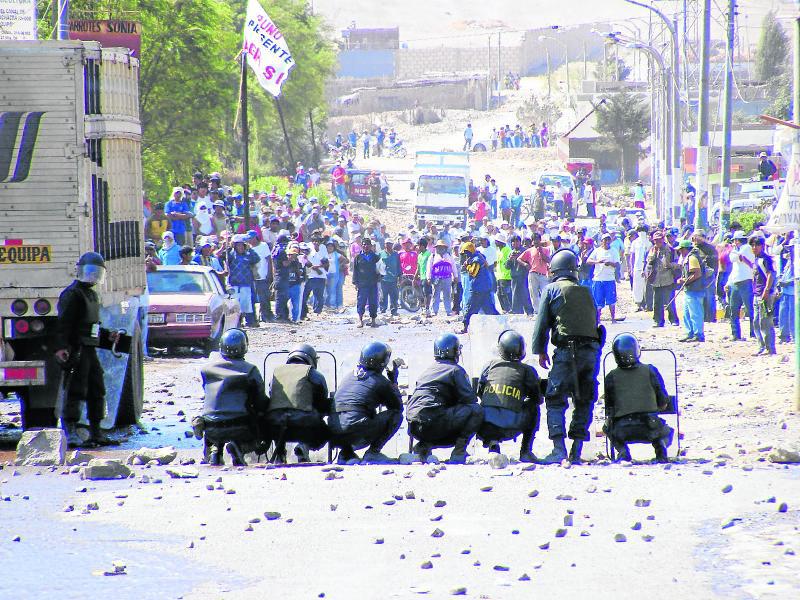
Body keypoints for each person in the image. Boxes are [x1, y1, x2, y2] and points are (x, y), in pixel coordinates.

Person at [531, 248, 603, 464]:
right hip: (591, 352)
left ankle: (559, 449)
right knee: (584, 399)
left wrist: (540, 350)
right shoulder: (586, 291)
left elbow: (542, 323)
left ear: (554, 270)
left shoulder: (552, 289)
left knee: (555, 398)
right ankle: (577, 450)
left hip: (566, 351)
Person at [54, 253, 121, 448]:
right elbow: (64, 324)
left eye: (96, 273)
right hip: (76, 349)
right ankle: (71, 430)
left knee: (96, 389)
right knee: (75, 389)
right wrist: (61, 348)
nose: (92, 276)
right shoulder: (72, 294)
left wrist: (108, 336)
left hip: (90, 349)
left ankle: (96, 431)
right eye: (89, 272)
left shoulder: (92, 294)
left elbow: (92, 325)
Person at [406, 333, 484, 464]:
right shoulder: (455, 370)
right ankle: (459, 451)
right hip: (434, 422)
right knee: (476, 410)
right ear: (455, 351)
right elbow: (470, 400)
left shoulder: (428, 370)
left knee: (439, 413)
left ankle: (424, 446)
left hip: (414, 428)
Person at [194, 329, 268, 466]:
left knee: (214, 414)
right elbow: (260, 402)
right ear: (244, 347)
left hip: (211, 427)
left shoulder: (206, 369)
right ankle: (240, 448)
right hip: (240, 426)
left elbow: (208, 394)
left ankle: (215, 451)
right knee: (262, 419)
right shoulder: (250, 370)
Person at [329, 342, 404, 464]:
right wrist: (393, 381)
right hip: (356, 429)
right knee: (395, 416)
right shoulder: (380, 381)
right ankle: (373, 453)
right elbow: (397, 407)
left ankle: (346, 454)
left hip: (334, 431)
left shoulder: (349, 376)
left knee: (357, 414)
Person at [603, 333, 673, 463]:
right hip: (650, 427)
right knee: (667, 432)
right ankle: (660, 449)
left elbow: (609, 409)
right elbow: (663, 401)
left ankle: (623, 451)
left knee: (607, 428)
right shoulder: (650, 370)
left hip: (622, 429)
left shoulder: (611, 377)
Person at [476, 330, 541, 462]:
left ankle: (492, 444)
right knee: (533, 408)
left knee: (483, 407)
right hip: (511, 428)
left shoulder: (489, 366)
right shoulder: (528, 370)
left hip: (485, 427)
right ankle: (526, 451)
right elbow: (537, 398)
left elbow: (480, 392)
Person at [263, 344, 330, 464]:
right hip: (304, 426)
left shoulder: (276, 373)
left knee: (278, 413)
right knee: (324, 430)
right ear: (311, 359)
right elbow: (322, 401)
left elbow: (272, 396)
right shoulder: (314, 374)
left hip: (274, 427)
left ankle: (280, 453)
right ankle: (304, 446)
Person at [458, 241, 498, 334]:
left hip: (478, 289)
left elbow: (473, 272)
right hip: (484, 287)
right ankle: (502, 324)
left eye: (466, 253)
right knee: (489, 308)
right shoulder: (481, 256)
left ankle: (465, 328)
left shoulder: (476, 259)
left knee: (470, 309)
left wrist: (467, 266)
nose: (465, 255)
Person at [725, 230, 755, 340]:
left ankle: (753, 333)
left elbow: (734, 257)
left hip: (746, 281)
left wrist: (733, 251)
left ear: (738, 240)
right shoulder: (738, 250)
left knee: (750, 309)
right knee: (733, 310)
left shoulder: (746, 248)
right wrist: (729, 282)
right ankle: (735, 334)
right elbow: (735, 267)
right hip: (735, 282)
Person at [750, 235, 776, 356]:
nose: (754, 247)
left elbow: (770, 275)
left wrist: (766, 290)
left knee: (765, 322)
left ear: (762, 246)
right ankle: (761, 346)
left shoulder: (765, 259)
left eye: (757, 245)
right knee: (756, 321)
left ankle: (769, 347)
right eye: (753, 245)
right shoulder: (756, 259)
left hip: (764, 294)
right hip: (756, 294)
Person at [646, 231, 679, 327]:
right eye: (656, 240)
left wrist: (670, 265)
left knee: (670, 301)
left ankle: (673, 320)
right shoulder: (652, 250)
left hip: (668, 279)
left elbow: (677, 263)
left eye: (659, 239)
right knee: (657, 302)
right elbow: (648, 263)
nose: (658, 242)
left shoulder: (670, 250)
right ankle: (658, 320)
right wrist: (654, 254)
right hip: (656, 279)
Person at [226, 234, 260, 327]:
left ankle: (251, 321)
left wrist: (249, 249)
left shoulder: (248, 255)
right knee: (235, 304)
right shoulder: (231, 255)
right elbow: (223, 258)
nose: (240, 247)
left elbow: (257, 259)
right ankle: (236, 322)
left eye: (242, 245)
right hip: (234, 284)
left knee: (247, 304)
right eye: (238, 245)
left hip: (246, 283)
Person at [675, 239, 705, 342]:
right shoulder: (688, 257)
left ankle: (698, 334)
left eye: (680, 250)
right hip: (690, 290)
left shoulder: (692, 258)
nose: (679, 252)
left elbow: (697, 273)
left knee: (695, 313)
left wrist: (684, 281)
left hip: (695, 290)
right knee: (687, 313)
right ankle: (690, 332)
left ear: (684, 249)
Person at [588, 233, 621, 322]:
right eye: (604, 240)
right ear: (601, 241)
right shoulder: (597, 251)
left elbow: (617, 264)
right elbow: (588, 261)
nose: (606, 242)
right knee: (598, 301)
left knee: (611, 301)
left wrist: (610, 263)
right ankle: (597, 319)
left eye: (608, 240)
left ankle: (613, 318)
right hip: (598, 279)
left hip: (609, 279)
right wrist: (598, 261)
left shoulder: (614, 251)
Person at [517, 232, 549, 313]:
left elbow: (548, 260)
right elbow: (519, 259)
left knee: (544, 293)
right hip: (533, 273)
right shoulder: (529, 250)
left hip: (543, 274)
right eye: (534, 240)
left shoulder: (546, 249)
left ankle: (545, 310)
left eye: (537, 239)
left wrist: (541, 252)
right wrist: (525, 264)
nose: (536, 241)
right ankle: (537, 311)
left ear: (540, 240)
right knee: (533, 293)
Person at [352, 237, 381, 328]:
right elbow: (355, 271)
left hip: (373, 283)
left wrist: (379, 277)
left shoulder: (375, 257)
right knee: (361, 302)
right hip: (362, 283)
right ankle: (360, 320)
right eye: (364, 244)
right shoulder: (358, 257)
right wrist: (355, 283)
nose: (366, 246)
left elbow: (380, 268)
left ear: (371, 246)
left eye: (368, 244)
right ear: (362, 246)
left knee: (373, 302)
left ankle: (373, 321)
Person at [248, 231, 274, 323]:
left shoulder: (263, 246)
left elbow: (269, 260)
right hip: (252, 277)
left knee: (264, 297)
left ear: (255, 238)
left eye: (250, 238)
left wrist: (270, 273)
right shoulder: (248, 248)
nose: (249, 241)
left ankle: (266, 315)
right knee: (254, 298)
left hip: (263, 276)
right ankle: (257, 317)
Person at [428, 239, 456, 315]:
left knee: (447, 295)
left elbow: (453, 266)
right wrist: (429, 277)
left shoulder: (449, 256)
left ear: (445, 248)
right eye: (438, 247)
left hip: (447, 278)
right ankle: (434, 311)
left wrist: (455, 276)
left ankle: (448, 311)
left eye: (442, 247)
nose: (440, 249)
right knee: (435, 295)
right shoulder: (433, 256)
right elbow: (429, 267)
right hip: (436, 278)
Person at [379, 238, 402, 316]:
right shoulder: (380, 254)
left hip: (394, 278)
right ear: (384, 244)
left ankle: (394, 310)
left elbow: (399, 266)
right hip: (383, 278)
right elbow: (378, 265)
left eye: (390, 244)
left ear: (392, 245)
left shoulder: (396, 254)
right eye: (387, 243)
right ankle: (383, 310)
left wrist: (400, 276)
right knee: (383, 295)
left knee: (394, 296)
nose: (388, 245)